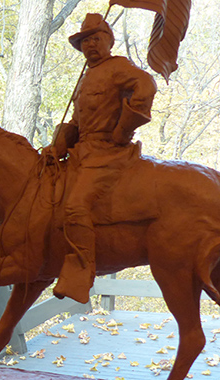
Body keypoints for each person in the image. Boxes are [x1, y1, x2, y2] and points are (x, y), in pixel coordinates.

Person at [50, 13, 156, 304]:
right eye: (85, 41)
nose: (90, 45)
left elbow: (146, 86)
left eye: (96, 38)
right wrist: (59, 141)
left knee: (74, 206)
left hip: (109, 153)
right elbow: (78, 120)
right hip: (82, 152)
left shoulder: (118, 67)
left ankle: (83, 272)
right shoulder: (86, 77)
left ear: (109, 40)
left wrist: (124, 128)